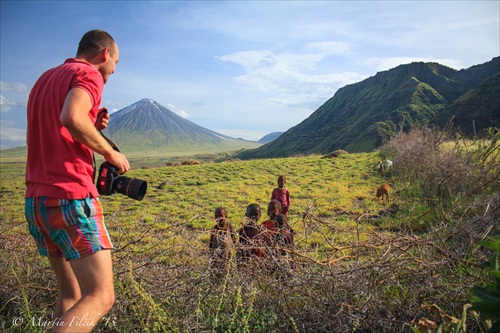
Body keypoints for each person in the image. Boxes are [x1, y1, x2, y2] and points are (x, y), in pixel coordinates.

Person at [24, 29, 129, 333]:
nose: (113, 71)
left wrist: (92, 125)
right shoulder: (89, 74)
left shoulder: (46, 78)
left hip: (37, 200)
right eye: (116, 63)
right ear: (105, 54)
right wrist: (110, 153)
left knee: (71, 296)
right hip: (69, 196)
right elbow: (70, 117)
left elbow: (59, 126)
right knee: (100, 296)